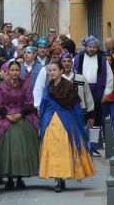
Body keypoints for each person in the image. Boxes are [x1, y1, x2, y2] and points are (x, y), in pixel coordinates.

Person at [39, 61, 96, 192]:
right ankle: (58, 179)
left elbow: (76, 106)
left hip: (66, 122)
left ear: (61, 71)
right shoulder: (48, 87)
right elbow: (43, 105)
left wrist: (79, 123)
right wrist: (42, 121)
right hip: (50, 122)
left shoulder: (69, 87)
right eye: (50, 70)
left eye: (54, 70)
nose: (51, 72)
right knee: (53, 150)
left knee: (63, 150)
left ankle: (62, 177)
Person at [0, 61, 39, 190]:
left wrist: (20, 115)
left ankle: (20, 178)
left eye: (17, 70)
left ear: (20, 71)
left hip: (23, 116)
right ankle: (9, 178)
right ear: (8, 71)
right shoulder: (2, 86)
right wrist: (7, 115)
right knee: (6, 149)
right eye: (12, 70)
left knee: (21, 148)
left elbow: (30, 103)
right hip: (6, 117)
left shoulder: (25, 84)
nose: (14, 73)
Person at [73, 35, 114, 156]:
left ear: (97, 48)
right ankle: (80, 146)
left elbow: (110, 78)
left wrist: (106, 94)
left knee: (96, 122)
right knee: (80, 119)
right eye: (90, 47)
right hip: (79, 93)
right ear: (85, 47)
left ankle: (93, 147)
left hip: (97, 94)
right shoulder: (77, 59)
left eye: (94, 47)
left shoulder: (102, 60)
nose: (92, 49)